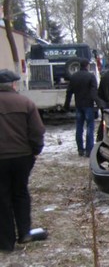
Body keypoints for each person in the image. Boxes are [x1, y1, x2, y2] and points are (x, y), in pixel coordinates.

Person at [0, 69, 48, 252]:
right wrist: (35, 150)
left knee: (2, 197)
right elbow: (37, 131)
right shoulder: (25, 103)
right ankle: (25, 233)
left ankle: (5, 242)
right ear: (13, 84)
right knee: (20, 193)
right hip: (22, 157)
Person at [63, 59, 105, 157]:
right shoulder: (91, 76)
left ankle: (80, 149)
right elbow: (94, 93)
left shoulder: (74, 77)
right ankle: (89, 150)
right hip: (88, 105)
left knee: (79, 127)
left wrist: (66, 105)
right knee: (90, 127)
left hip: (78, 105)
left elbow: (69, 92)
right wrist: (100, 104)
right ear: (87, 66)